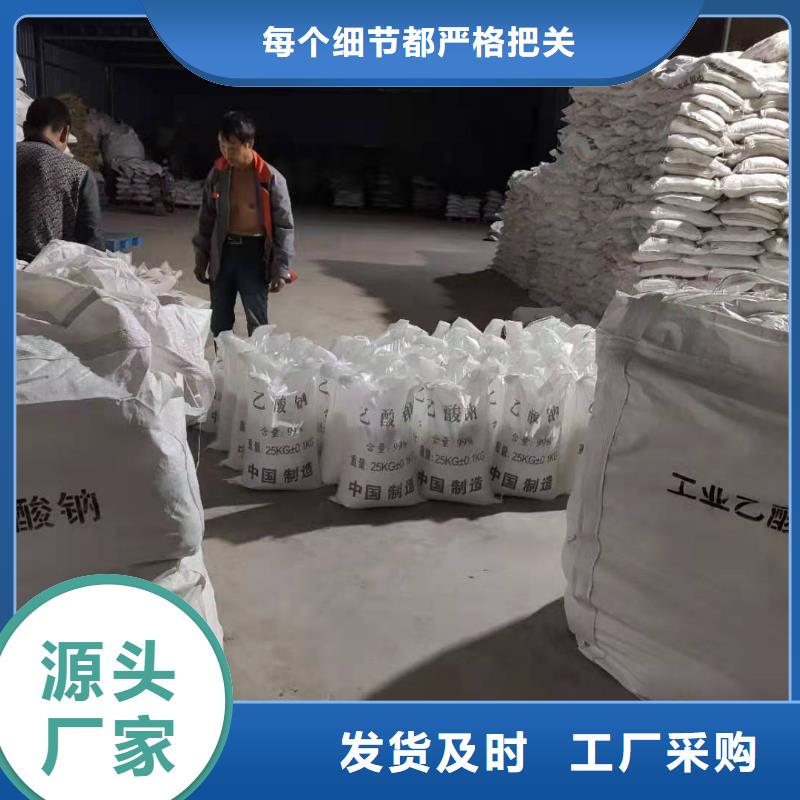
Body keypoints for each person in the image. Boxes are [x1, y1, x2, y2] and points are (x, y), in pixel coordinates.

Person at [193, 111, 295, 336]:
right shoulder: (217, 174)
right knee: (219, 321)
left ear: (249, 144)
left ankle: (257, 359)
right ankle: (222, 358)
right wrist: (201, 257)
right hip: (223, 253)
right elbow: (206, 218)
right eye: (221, 146)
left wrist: (281, 268)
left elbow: (284, 227)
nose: (225, 153)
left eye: (231, 147)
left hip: (254, 256)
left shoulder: (270, 178)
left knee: (257, 322)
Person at [16, 97, 104, 262]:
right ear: (64, 133)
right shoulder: (78, 174)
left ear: (25, 128)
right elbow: (92, 246)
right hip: (47, 273)